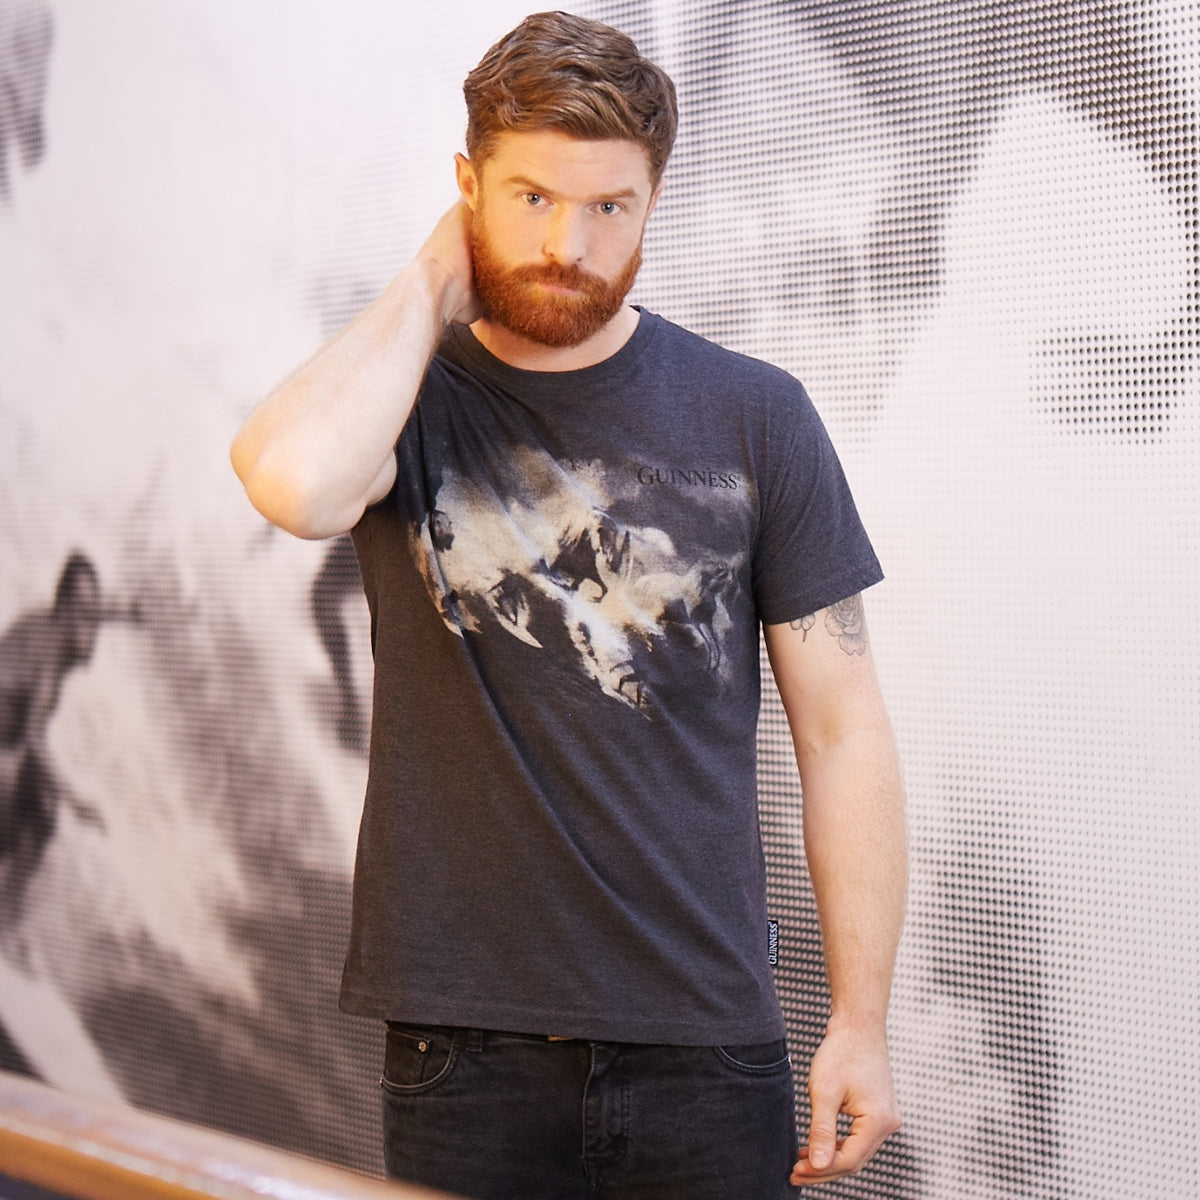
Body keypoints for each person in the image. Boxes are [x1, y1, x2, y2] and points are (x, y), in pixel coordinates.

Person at [231, 11, 906, 1198]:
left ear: (654, 204)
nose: (570, 244)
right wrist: (442, 269)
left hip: (707, 1046)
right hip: (464, 1052)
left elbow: (844, 732)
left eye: (610, 208)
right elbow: (291, 480)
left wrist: (861, 1018)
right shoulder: (407, 402)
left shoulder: (757, 416)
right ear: (468, 186)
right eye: (531, 198)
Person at [0, 552, 106, 921]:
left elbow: (86, 607)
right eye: (86, 614)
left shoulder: (49, 622)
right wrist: (76, 799)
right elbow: (31, 736)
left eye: (96, 613)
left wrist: (132, 614)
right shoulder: (52, 651)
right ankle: (6, 924)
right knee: (39, 809)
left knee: (35, 806)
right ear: (66, 611)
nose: (92, 626)